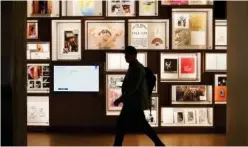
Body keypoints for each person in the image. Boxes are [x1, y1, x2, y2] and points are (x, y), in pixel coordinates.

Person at [113, 46, 165, 146]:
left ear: (134, 55)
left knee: (124, 125)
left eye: (127, 54)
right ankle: (159, 144)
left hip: (133, 103)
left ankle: (159, 144)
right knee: (130, 125)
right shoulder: (134, 66)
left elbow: (132, 88)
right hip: (133, 102)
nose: (125, 56)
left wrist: (120, 99)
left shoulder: (137, 68)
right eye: (125, 54)